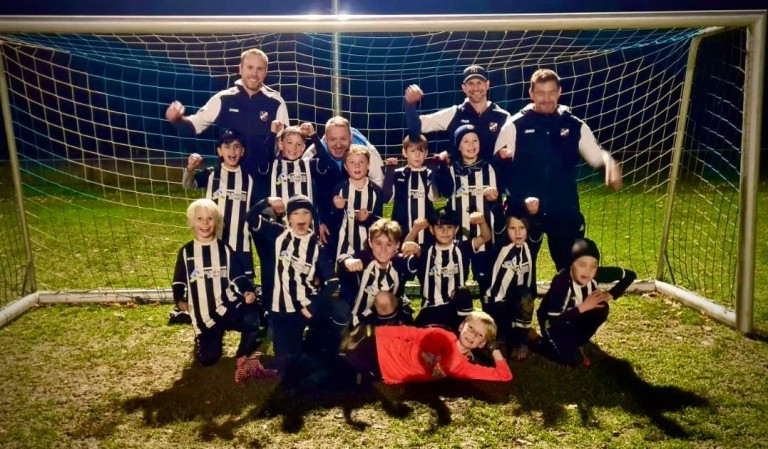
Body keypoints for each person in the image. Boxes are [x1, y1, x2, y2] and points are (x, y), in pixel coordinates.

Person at [495, 68, 623, 271]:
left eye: (551, 92)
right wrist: (518, 199)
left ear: (559, 92)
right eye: (540, 93)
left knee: (570, 272)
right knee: (517, 274)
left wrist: (610, 163)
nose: (546, 99)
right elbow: (499, 170)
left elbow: (597, 155)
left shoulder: (573, 125)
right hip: (524, 212)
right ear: (531, 94)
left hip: (564, 208)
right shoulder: (515, 125)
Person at [171, 198, 275, 383]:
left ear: (217, 223)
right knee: (208, 359)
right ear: (192, 223)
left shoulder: (225, 250)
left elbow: (239, 277)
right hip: (205, 315)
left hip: (228, 306)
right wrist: (180, 301)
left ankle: (243, 355)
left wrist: (247, 292)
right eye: (200, 219)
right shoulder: (186, 253)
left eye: (210, 219)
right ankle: (209, 336)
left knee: (253, 315)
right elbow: (178, 282)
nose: (205, 223)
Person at [245, 195, 350, 366]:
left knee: (339, 313)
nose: (301, 218)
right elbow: (250, 217)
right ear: (288, 217)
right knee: (287, 362)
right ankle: (273, 358)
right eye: (295, 213)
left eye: (306, 213)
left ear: (312, 217)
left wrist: (313, 305)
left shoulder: (317, 246)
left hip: (305, 306)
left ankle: (323, 344)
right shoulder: (278, 233)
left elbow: (332, 282)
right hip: (281, 310)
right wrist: (267, 201)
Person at [166, 48, 290, 176]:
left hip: (264, 177)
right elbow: (194, 125)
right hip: (229, 179)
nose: (254, 73)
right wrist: (177, 119)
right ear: (240, 69)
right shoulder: (224, 99)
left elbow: (287, 145)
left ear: (265, 72)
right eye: (250, 67)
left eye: (259, 68)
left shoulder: (276, 102)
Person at [534, 238, 637, 366]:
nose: (588, 271)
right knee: (574, 360)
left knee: (601, 306)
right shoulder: (562, 282)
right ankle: (535, 340)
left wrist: (609, 294)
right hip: (552, 323)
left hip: (573, 316)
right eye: (582, 264)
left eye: (593, 265)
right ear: (572, 263)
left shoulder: (596, 275)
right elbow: (555, 319)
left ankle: (576, 342)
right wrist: (584, 307)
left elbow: (630, 275)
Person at [341, 310, 513, 384]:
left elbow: (504, 375)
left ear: (482, 343)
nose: (473, 335)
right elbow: (408, 332)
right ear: (462, 327)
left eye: (480, 335)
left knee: (337, 371)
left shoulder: (463, 367)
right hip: (379, 347)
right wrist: (373, 331)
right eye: (471, 328)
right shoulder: (443, 334)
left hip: (383, 370)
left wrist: (494, 348)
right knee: (337, 355)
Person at [433, 124, 504, 294]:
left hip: (485, 235)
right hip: (459, 236)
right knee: (457, 280)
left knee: (486, 280)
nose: (471, 145)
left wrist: (494, 199)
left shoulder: (489, 168)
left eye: (475, 141)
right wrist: (441, 167)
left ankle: (490, 311)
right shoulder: (452, 169)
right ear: (458, 146)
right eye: (466, 141)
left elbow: (497, 202)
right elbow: (444, 192)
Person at [181, 129, 256, 280]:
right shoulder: (211, 174)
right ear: (220, 151)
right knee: (215, 281)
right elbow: (188, 185)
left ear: (242, 151)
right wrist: (190, 168)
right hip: (214, 240)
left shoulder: (250, 177)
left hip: (241, 244)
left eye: (236, 146)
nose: (232, 150)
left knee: (244, 285)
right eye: (227, 146)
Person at [406, 207, 491, 332]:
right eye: (440, 227)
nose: (445, 231)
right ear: (431, 229)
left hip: (456, 308)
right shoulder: (425, 251)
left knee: (463, 293)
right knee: (429, 340)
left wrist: (482, 222)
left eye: (450, 227)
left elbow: (485, 237)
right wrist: (415, 229)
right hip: (431, 307)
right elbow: (406, 247)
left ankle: (462, 335)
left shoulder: (463, 248)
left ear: (456, 229)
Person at [404, 64, 511, 163]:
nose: (475, 87)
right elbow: (416, 126)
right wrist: (410, 104)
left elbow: (511, 151)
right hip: (460, 181)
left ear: (487, 85)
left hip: (495, 181)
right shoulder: (454, 113)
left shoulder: (503, 117)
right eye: (470, 83)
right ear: (463, 88)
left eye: (479, 82)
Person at [483, 199, 543, 361]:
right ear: (506, 230)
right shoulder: (501, 244)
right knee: (501, 327)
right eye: (512, 228)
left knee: (525, 298)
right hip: (496, 301)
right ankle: (501, 340)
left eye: (522, 228)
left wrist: (534, 214)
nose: (517, 233)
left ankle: (520, 341)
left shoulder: (530, 247)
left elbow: (537, 230)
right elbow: (499, 221)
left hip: (518, 300)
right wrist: (495, 203)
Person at [338, 218, 420, 326]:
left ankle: (389, 335)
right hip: (359, 321)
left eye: (389, 244)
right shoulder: (364, 259)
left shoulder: (400, 263)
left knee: (383, 299)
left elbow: (418, 269)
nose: (383, 249)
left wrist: (418, 252)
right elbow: (343, 260)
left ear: (397, 245)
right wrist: (347, 262)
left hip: (390, 320)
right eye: (378, 243)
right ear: (370, 243)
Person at [255, 121, 341, 224]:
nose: (294, 147)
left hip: (307, 227)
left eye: (298, 144)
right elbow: (263, 157)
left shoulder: (309, 164)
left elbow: (327, 163)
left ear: (303, 148)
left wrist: (313, 136)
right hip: (280, 226)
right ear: (281, 145)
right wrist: (273, 133)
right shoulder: (274, 165)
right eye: (289, 142)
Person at [328, 144, 386, 261]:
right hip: (344, 248)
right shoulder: (340, 189)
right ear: (345, 166)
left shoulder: (376, 191)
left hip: (369, 248)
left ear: (368, 165)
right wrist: (338, 209)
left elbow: (380, 221)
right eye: (352, 162)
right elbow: (333, 221)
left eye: (361, 162)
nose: (357, 166)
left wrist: (365, 220)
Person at [380, 134, 437, 245]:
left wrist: (436, 171)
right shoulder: (397, 174)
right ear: (405, 152)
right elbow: (386, 198)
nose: (417, 155)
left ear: (426, 154)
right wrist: (389, 172)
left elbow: (435, 198)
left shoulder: (429, 174)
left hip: (426, 233)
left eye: (421, 151)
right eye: (412, 151)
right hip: (402, 232)